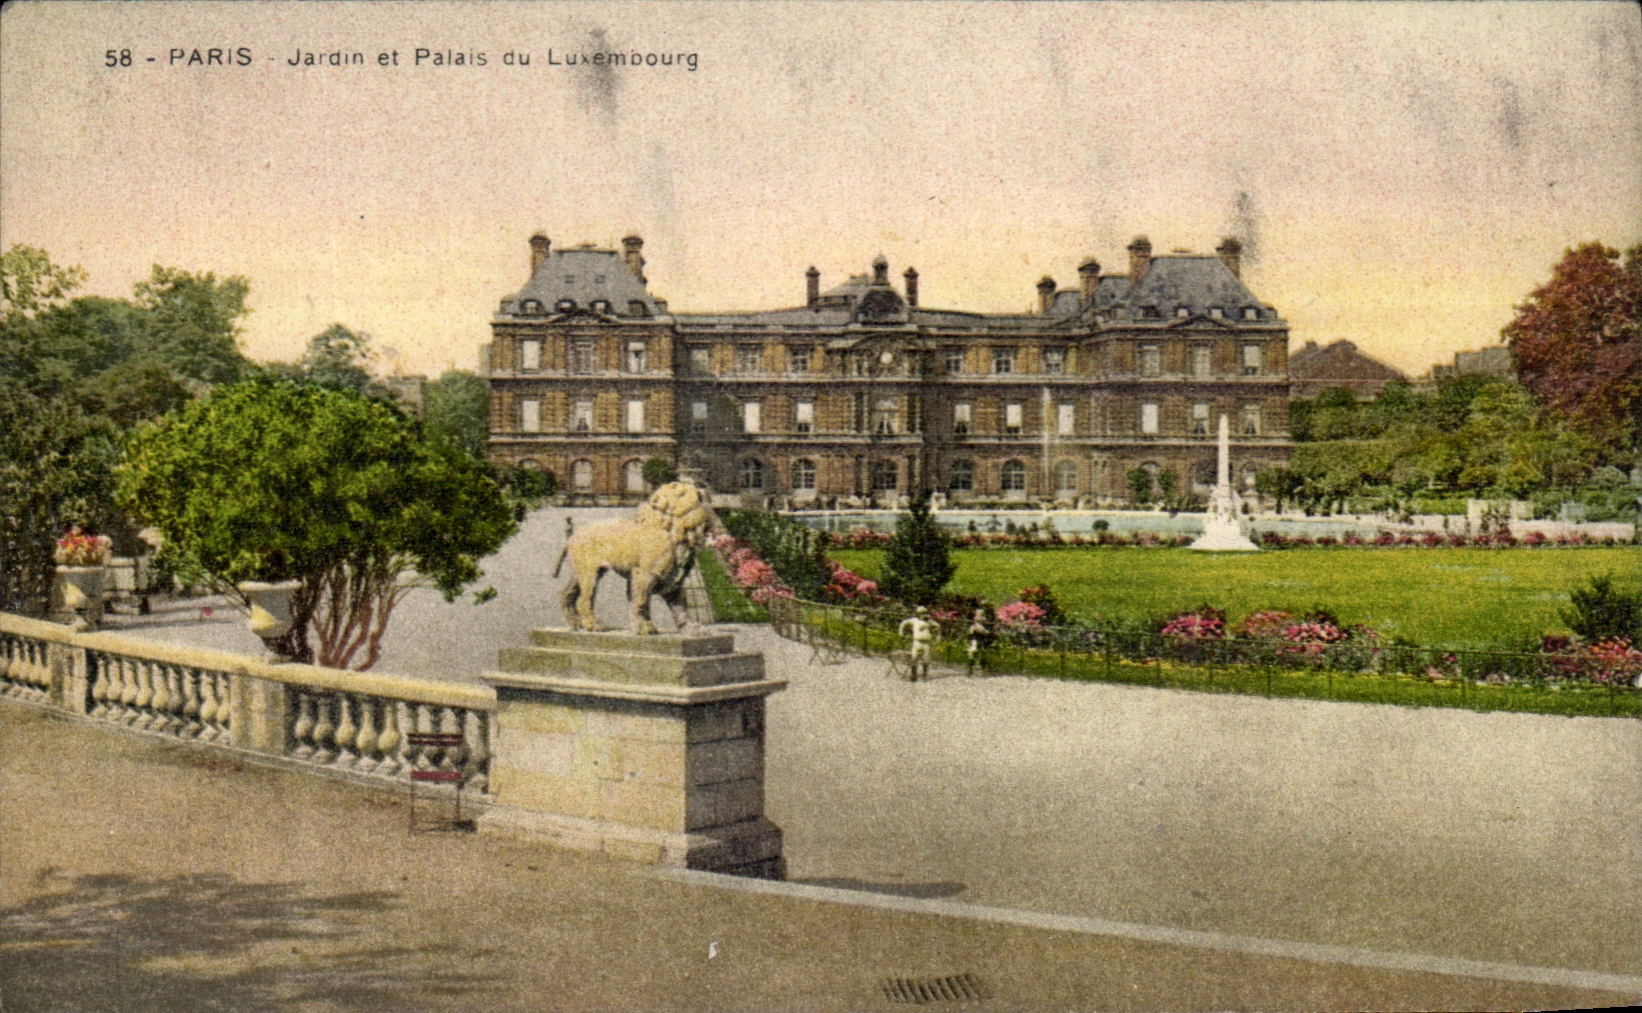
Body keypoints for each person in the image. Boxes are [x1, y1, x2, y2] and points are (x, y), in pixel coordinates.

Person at [897, 606, 938, 681]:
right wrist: (901, 634)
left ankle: (924, 675)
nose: (923, 614)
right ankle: (914, 675)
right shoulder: (914, 620)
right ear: (917, 614)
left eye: (924, 613)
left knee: (926, 659)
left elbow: (937, 627)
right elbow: (903, 624)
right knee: (914, 658)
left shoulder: (929, 621)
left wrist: (935, 635)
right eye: (921, 613)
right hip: (917, 642)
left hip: (926, 643)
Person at [966, 608, 994, 675]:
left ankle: (981, 668)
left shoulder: (983, 625)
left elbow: (986, 633)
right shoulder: (973, 626)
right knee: (973, 651)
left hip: (982, 641)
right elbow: (969, 633)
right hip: (974, 641)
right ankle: (970, 668)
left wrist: (984, 631)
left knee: (981, 653)